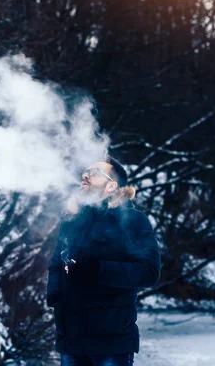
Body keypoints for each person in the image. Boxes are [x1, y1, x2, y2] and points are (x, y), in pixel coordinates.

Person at [46, 157, 161, 366]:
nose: (85, 175)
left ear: (111, 185)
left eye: (95, 172)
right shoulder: (71, 220)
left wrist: (97, 269)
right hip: (71, 340)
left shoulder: (133, 221)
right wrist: (55, 296)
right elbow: (56, 262)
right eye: (86, 171)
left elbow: (149, 271)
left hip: (111, 342)